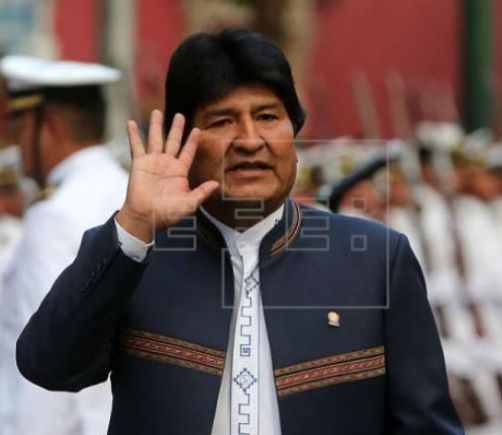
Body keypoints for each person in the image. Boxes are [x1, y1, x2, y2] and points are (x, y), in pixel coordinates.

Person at [16, 29, 463, 435]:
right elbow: (49, 366)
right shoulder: (137, 257)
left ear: (294, 131)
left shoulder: (376, 261)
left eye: (267, 117)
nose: (249, 140)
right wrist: (133, 226)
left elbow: (426, 425)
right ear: (183, 142)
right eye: (222, 121)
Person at [0, 56, 127, 435]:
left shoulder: (56, 216)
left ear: (50, 125)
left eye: (19, 128)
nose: (18, 146)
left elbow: (43, 378)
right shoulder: (128, 192)